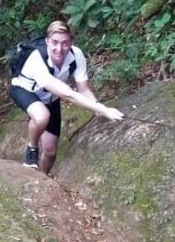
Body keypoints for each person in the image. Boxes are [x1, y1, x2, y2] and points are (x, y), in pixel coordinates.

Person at [10, 20, 124, 174]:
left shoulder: (76, 56)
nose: (59, 49)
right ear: (47, 42)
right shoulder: (38, 59)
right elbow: (68, 94)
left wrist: (96, 104)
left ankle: (42, 179)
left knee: (50, 152)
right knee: (41, 115)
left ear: (71, 42)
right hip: (24, 90)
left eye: (65, 43)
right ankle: (32, 149)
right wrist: (103, 109)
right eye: (55, 43)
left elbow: (83, 89)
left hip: (50, 98)